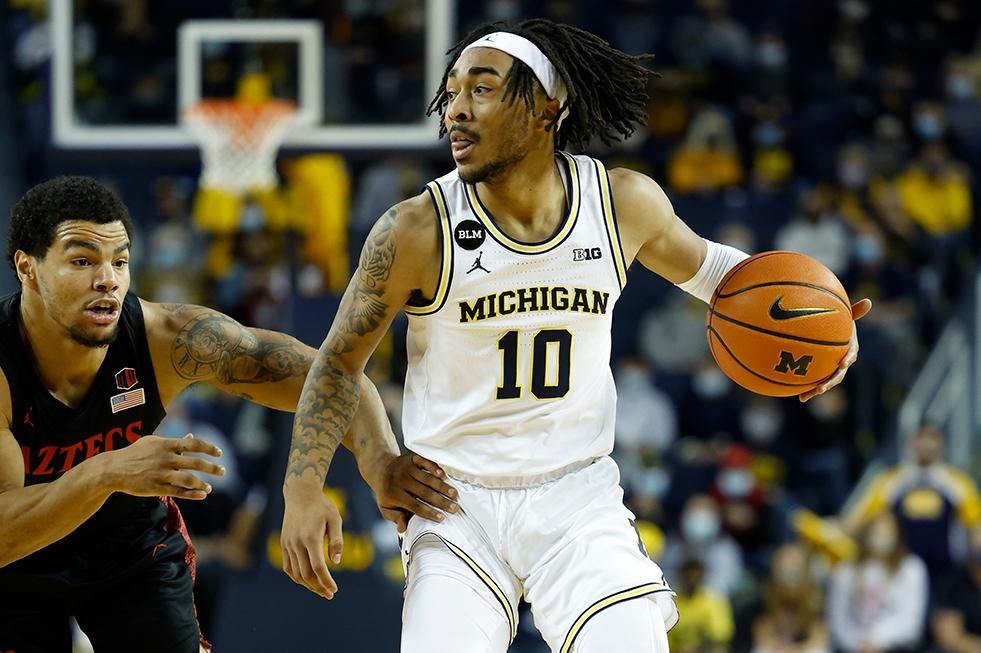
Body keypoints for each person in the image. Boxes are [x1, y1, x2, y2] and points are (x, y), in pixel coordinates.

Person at [280, 19, 869, 653]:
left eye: (481, 90)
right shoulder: (415, 230)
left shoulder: (620, 203)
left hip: (576, 496)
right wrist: (306, 485)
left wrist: (823, 332)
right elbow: (339, 364)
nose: (455, 111)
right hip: (455, 506)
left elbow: (726, 278)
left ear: (547, 108)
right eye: (451, 92)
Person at [0, 176, 455, 653]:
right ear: (27, 268)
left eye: (120, 261)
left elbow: (334, 374)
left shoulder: (169, 338)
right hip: (19, 561)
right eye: (81, 261)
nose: (108, 279)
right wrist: (105, 472)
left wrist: (375, 464)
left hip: (126, 550)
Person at [827, 512, 929, 653]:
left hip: (895, 648)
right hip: (853, 648)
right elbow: (837, 620)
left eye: (888, 530)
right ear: (866, 533)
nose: (882, 535)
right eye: (877, 530)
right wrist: (857, 645)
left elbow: (911, 623)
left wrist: (879, 641)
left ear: (898, 534)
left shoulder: (911, 568)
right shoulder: (846, 571)